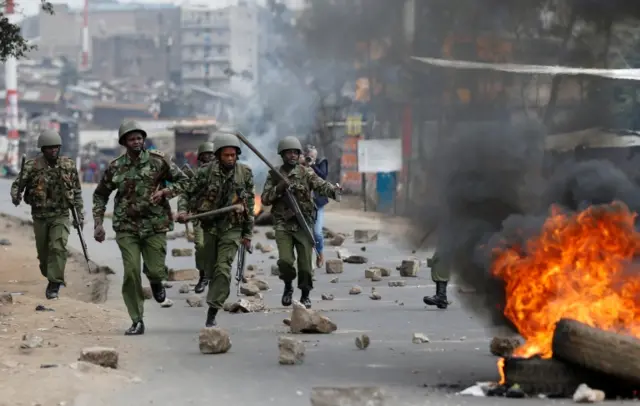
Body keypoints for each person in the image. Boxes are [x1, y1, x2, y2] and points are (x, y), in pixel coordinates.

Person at [92, 120, 189, 336]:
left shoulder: (159, 161)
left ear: (143, 139)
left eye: (139, 138)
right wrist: (98, 223)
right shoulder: (116, 166)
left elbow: (185, 182)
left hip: (155, 225)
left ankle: (156, 282)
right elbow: (100, 194)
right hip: (127, 227)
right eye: (131, 139)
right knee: (131, 272)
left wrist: (166, 192)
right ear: (124, 142)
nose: (136, 142)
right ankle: (136, 319)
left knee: (155, 269)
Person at [177, 133, 254, 328]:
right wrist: (183, 210)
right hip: (209, 225)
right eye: (226, 155)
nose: (230, 158)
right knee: (210, 267)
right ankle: (208, 282)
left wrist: (247, 233)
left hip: (232, 228)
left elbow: (249, 204)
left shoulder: (244, 173)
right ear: (218, 155)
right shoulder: (205, 172)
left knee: (223, 269)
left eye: (233, 155)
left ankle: (213, 309)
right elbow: (187, 191)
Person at [261, 136, 340, 309]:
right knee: (285, 262)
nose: (292, 155)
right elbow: (265, 199)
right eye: (288, 152)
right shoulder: (274, 174)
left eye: (295, 152)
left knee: (305, 266)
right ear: (282, 155)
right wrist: (279, 188)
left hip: (303, 223)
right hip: (283, 224)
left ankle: (305, 294)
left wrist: (333, 190)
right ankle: (288, 286)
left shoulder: (306, 172)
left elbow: (321, 185)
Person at [10, 129, 84, 300]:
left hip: (61, 214)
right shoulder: (31, 166)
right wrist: (16, 195)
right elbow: (17, 185)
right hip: (40, 216)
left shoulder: (68, 165)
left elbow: (77, 191)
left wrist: (79, 215)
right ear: (42, 149)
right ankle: (50, 274)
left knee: (58, 247)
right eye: (49, 148)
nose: (53, 151)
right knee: (44, 255)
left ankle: (54, 284)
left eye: (56, 147)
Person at [180, 141, 216, 294]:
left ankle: (216, 277)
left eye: (212, 155)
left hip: (218, 216)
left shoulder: (224, 174)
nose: (209, 158)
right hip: (199, 216)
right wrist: (182, 211)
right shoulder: (195, 175)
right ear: (200, 158)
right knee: (201, 246)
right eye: (206, 155)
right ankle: (203, 276)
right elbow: (185, 194)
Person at [301, 145, 329, 268]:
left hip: (318, 204)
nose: (311, 158)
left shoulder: (321, 162)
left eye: (313, 156)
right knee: (306, 233)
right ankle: (308, 260)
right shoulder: (301, 164)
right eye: (309, 156)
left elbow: (323, 176)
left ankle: (319, 253)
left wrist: (312, 165)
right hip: (303, 204)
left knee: (317, 233)